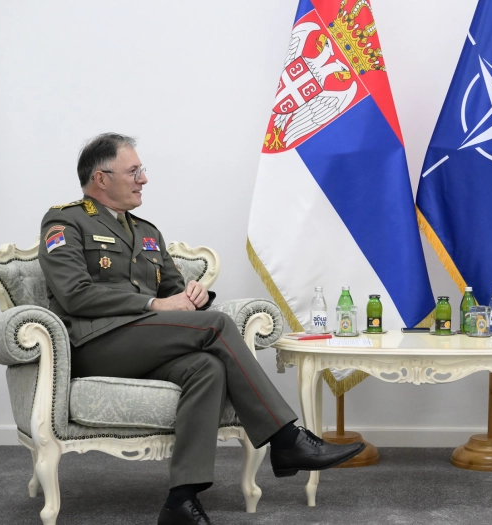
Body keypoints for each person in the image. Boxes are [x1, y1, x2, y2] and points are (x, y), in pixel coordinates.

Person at [38, 133, 364, 525]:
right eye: (134, 171)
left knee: (206, 368)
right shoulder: (65, 221)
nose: (144, 179)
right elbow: (74, 294)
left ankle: (181, 500)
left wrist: (195, 294)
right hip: (96, 344)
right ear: (101, 178)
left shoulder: (146, 231)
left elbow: (174, 292)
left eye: (142, 170)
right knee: (218, 325)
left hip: (146, 342)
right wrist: (154, 304)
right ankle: (286, 439)